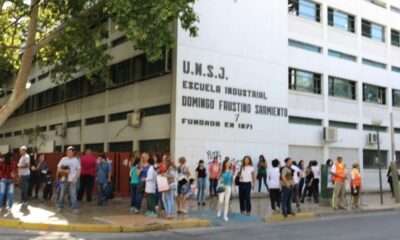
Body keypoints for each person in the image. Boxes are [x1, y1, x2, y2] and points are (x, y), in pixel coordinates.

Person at [56, 146, 81, 213]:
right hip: (64, 179)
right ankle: (60, 206)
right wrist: (65, 171)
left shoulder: (76, 160)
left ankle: (74, 208)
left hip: (72, 179)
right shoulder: (63, 159)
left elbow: (79, 170)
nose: (68, 153)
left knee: (73, 194)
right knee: (62, 193)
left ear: (73, 152)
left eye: (70, 152)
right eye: (67, 151)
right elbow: (58, 169)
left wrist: (76, 178)